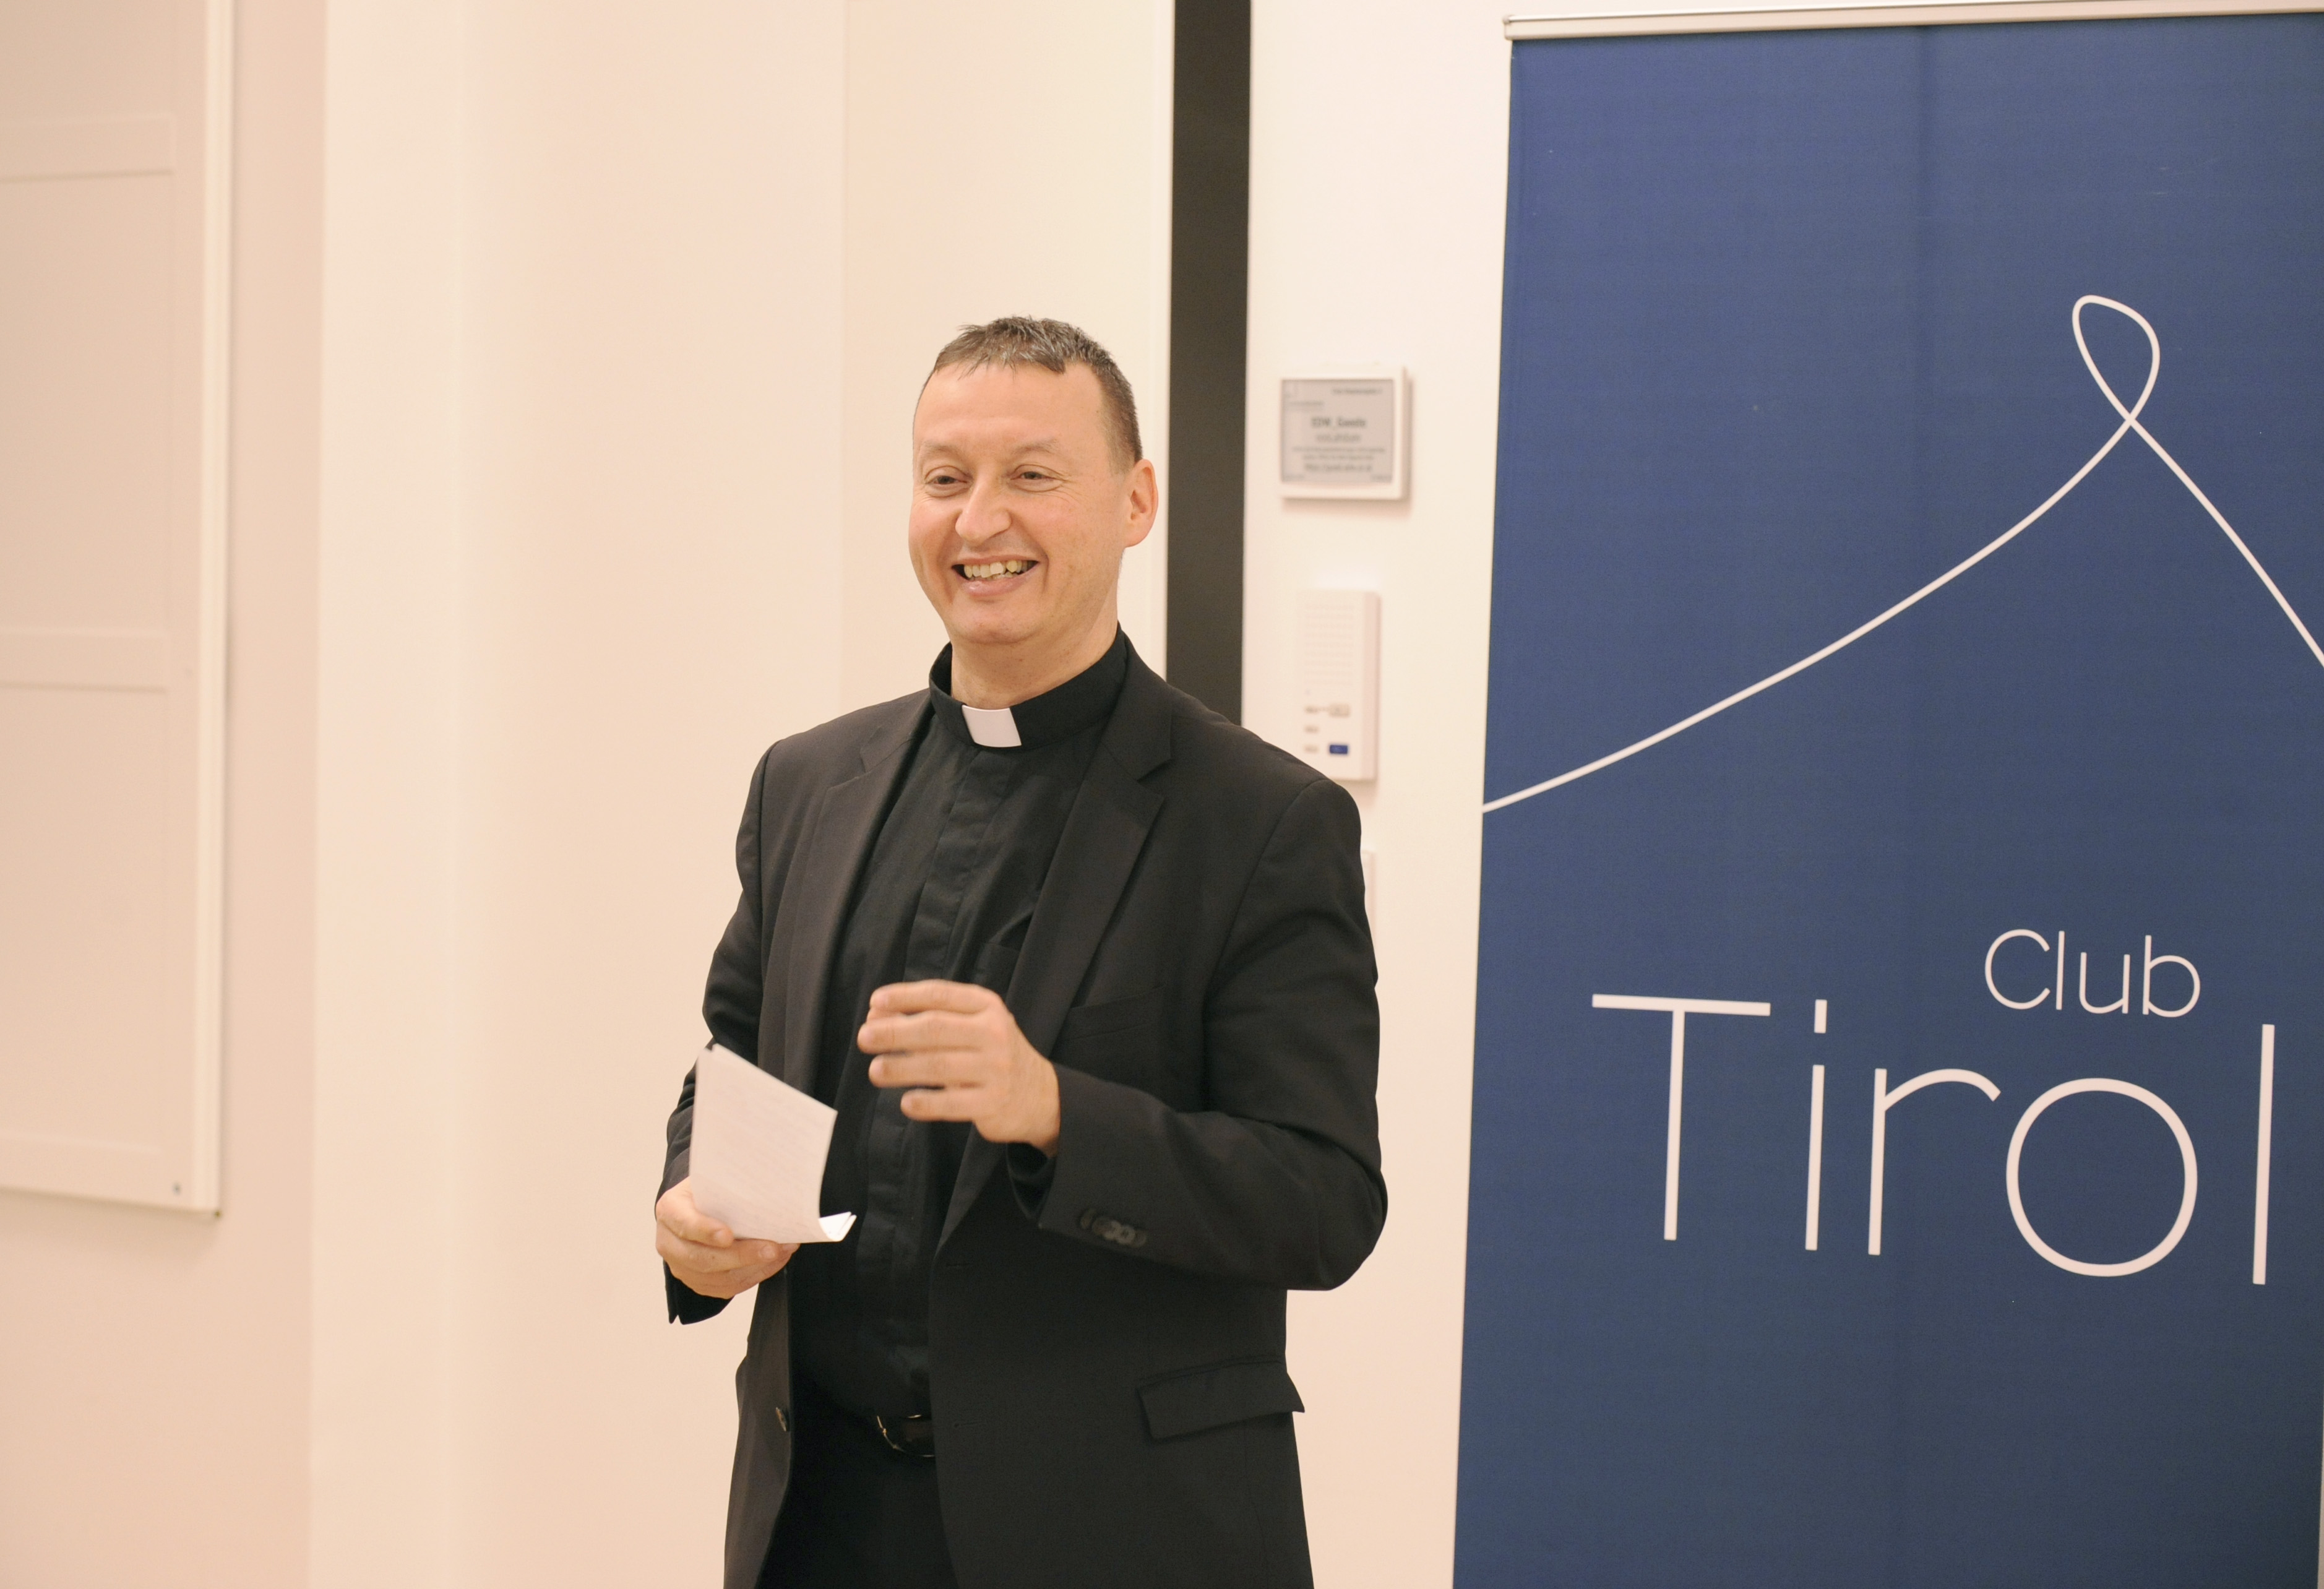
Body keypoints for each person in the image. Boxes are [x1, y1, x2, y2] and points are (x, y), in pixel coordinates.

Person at [653, 317, 1384, 1589]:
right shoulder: (809, 783)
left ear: (1136, 501)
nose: (979, 520)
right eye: (945, 477)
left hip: (1119, 1536)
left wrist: (1054, 1111)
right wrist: (690, 1210)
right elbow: (731, 1065)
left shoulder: (1261, 821)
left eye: (1033, 476)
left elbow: (1323, 1204)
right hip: (823, 1521)